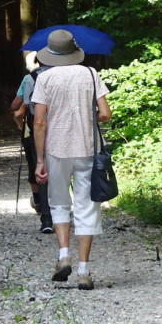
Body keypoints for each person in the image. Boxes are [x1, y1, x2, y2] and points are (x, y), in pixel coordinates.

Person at [32, 29, 111, 290]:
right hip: (88, 148)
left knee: (58, 203)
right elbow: (105, 113)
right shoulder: (90, 73)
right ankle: (84, 271)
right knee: (88, 206)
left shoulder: (45, 78)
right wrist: (89, 119)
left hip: (56, 150)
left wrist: (40, 159)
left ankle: (64, 255)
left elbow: (40, 121)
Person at [10, 52, 52, 231]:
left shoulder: (29, 78)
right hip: (59, 129)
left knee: (38, 168)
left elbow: (17, 105)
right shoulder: (59, 76)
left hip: (35, 129)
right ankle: (61, 210)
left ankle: (46, 217)